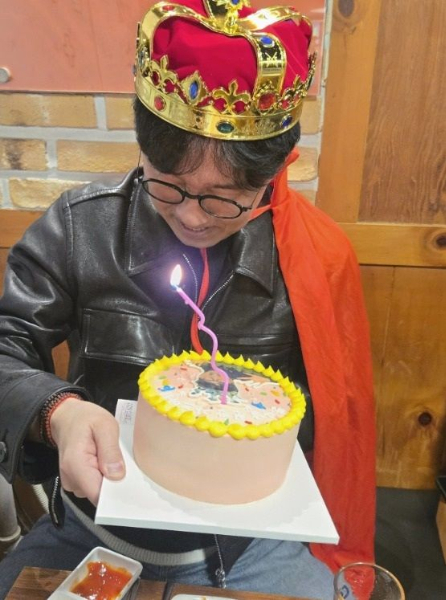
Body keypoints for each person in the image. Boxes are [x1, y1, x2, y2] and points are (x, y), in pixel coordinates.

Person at [0, 0, 376, 598]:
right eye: (169, 186)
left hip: (252, 546)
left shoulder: (314, 258)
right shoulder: (79, 228)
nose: (193, 218)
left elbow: (333, 422)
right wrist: (58, 414)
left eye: (225, 198)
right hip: (92, 530)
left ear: (276, 172)